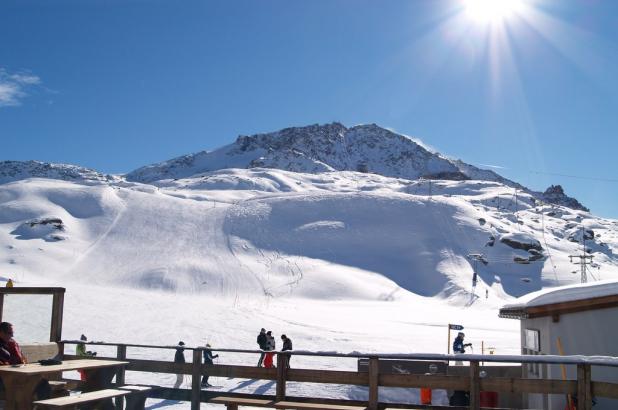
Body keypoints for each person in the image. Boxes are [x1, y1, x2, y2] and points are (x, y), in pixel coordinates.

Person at [0, 322, 51, 399]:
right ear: (1, 332)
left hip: (16, 376)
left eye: (12, 333)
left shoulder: (12, 343)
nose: (12, 336)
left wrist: (22, 363)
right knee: (35, 384)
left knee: (42, 382)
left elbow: (22, 359)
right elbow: (5, 361)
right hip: (4, 379)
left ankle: (42, 407)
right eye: (9, 333)